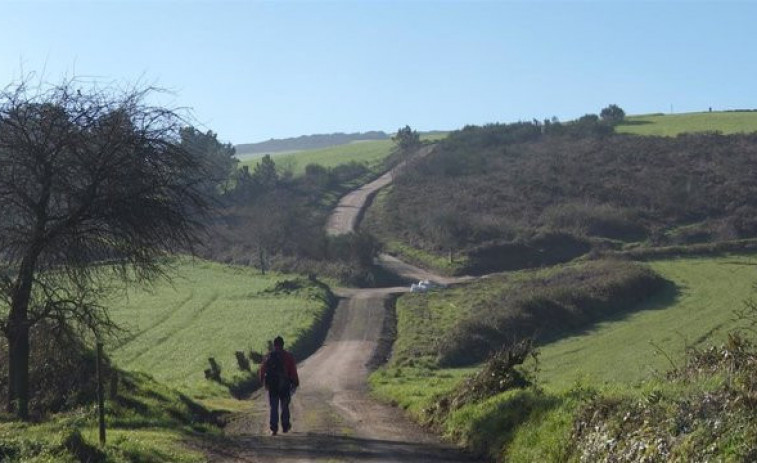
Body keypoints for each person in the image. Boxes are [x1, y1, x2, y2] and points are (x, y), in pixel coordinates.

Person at [259, 336, 299, 436]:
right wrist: (295, 381)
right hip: (284, 384)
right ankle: (285, 426)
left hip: (272, 385)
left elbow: (262, 369)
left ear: (274, 345)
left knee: (274, 406)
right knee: (284, 405)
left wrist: (262, 380)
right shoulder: (288, 356)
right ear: (283, 344)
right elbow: (293, 371)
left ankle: (274, 427)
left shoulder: (269, 356)